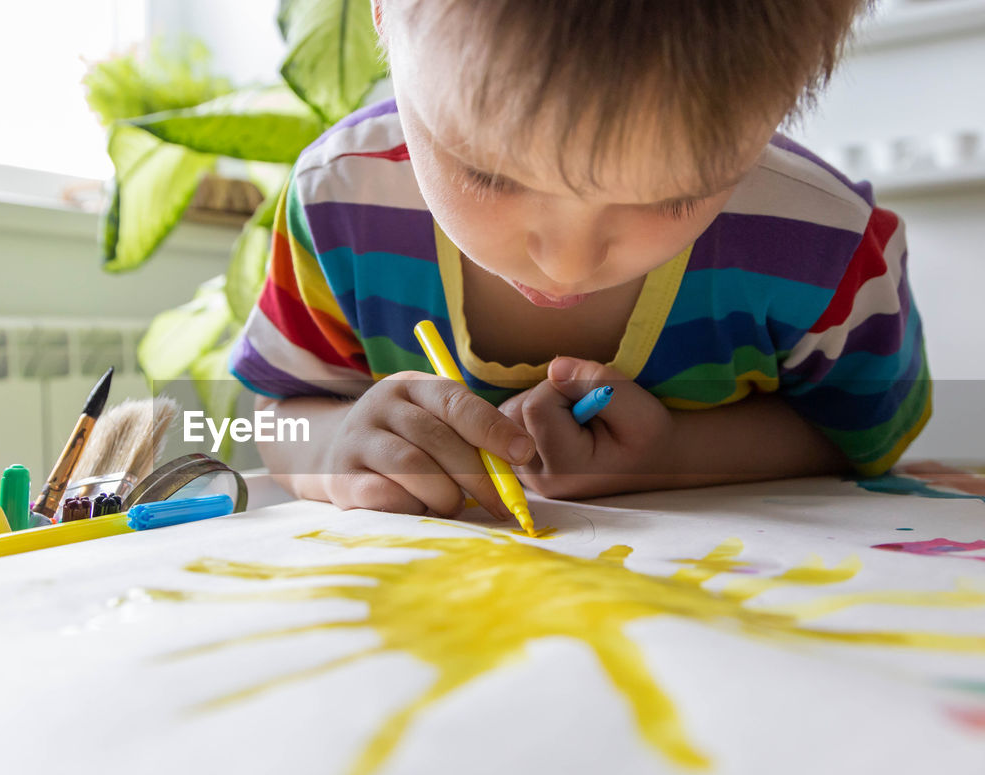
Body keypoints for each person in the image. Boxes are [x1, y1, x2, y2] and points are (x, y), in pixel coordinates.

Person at [229, 0, 929, 522]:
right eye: (489, 175)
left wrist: (679, 454)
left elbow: (865, 431)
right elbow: (276, 411)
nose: (564, 263)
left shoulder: (823, 247)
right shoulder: (339, 203)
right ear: (381, 11)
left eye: (670, 197)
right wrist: (330, 447)